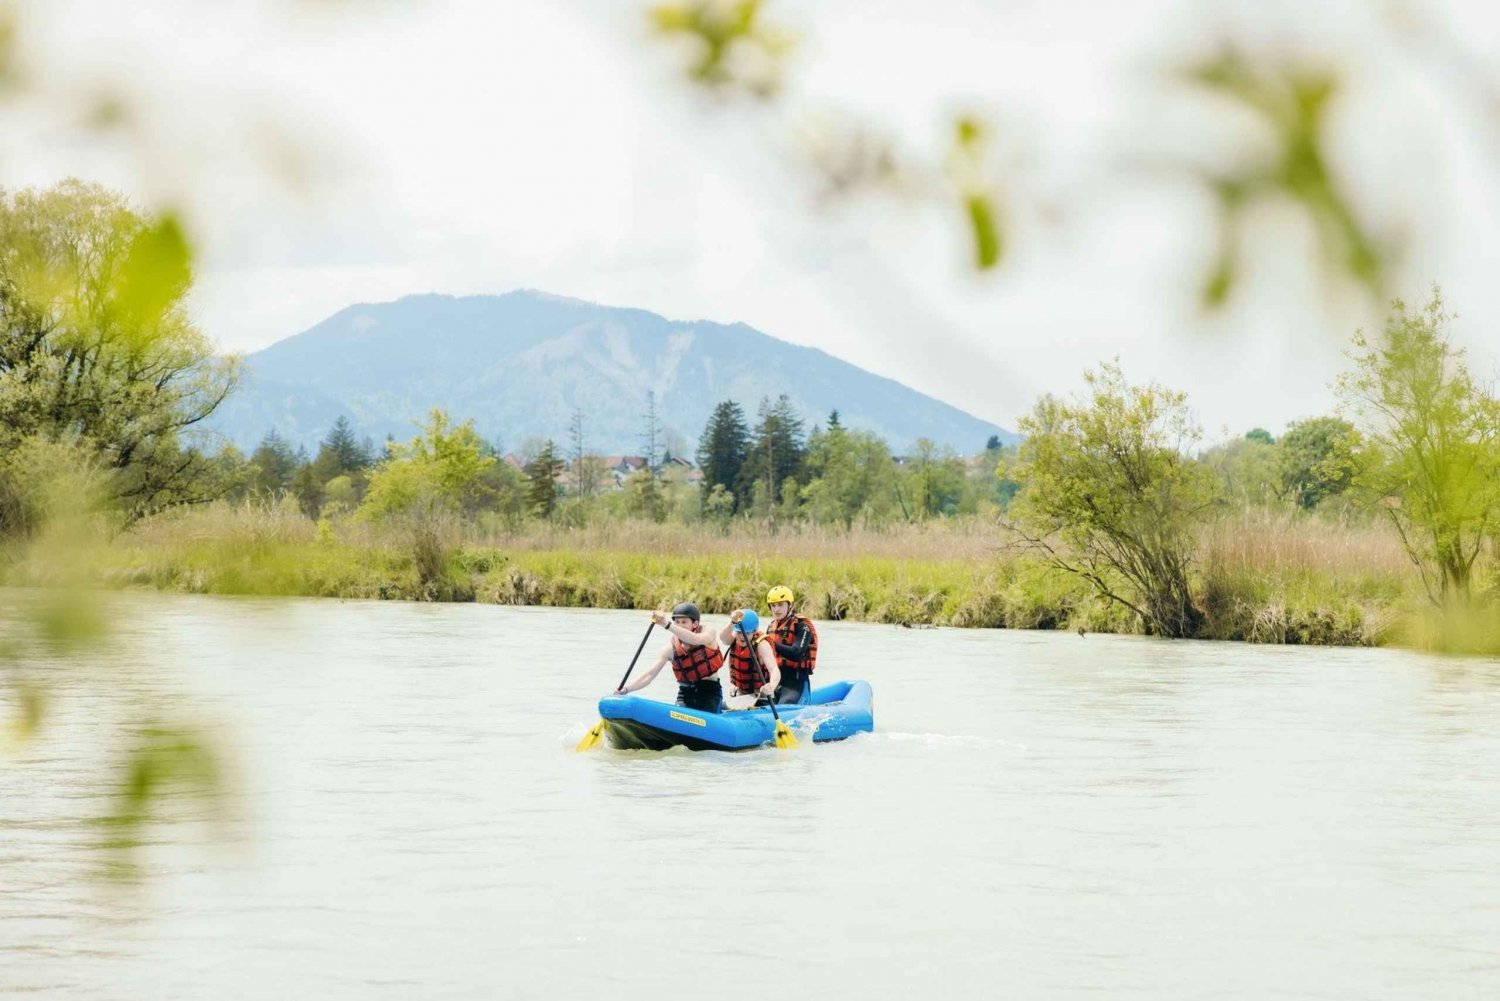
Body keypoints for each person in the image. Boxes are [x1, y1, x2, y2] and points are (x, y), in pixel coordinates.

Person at [614, 602, 725, 713]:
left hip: (710, 692)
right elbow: (649, 674)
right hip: (685, 694)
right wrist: (626, 689)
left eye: (684, 622)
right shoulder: (670, 649)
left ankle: (720, 705)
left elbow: (695, 639)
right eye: (677, 622)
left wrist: (665, 624)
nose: (680, 625)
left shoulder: (708, 633)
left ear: (695, 624)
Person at [764, 585, 818, 704]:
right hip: (775, 680)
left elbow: (797, 653)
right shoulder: (771, 626)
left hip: (796, 681)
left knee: (785, 704)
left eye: (781, 605)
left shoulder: (802, 626)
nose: (776, 609)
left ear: (790, 605)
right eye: (773, 605)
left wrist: (770, 643)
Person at [718, 609, 780, 707]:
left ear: (754, 631)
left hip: (761, 696)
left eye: (746, 633)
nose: (742, 637)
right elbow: (723, 638)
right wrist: (732, 621)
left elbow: (774, 670)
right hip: (741, 694)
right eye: (739, 633)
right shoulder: (734, 637)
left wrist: (771, 686)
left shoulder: (762, 645)